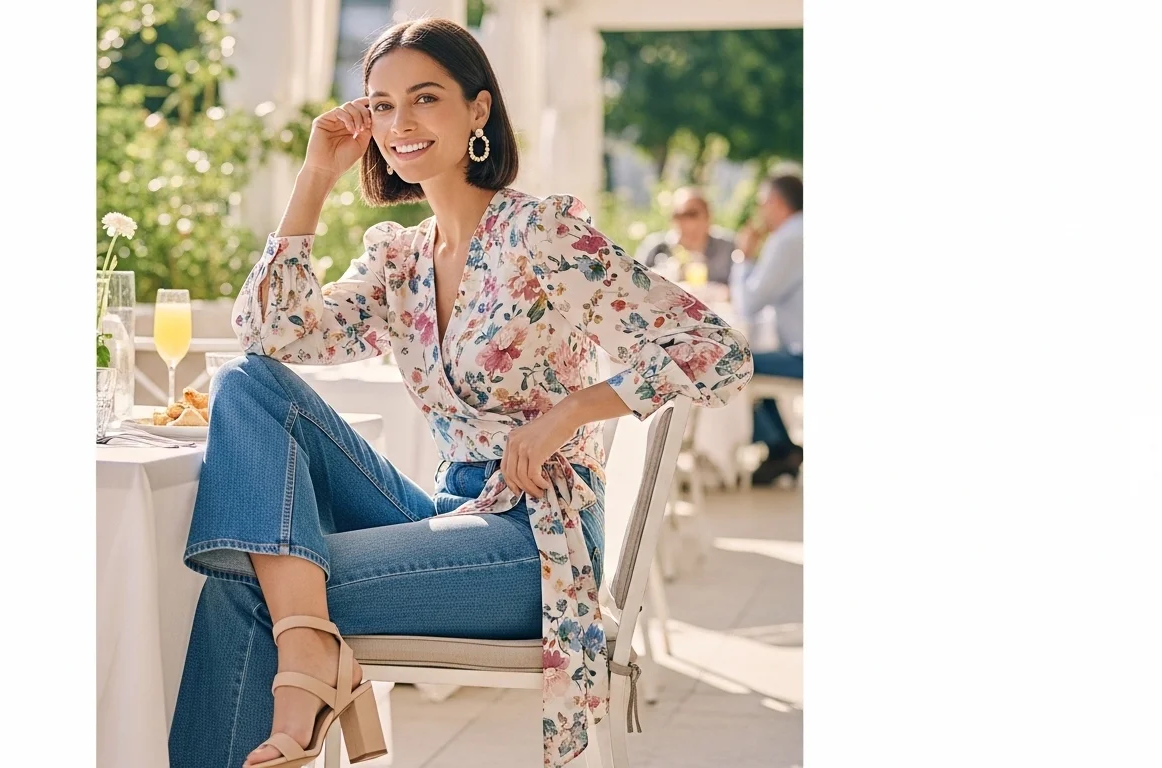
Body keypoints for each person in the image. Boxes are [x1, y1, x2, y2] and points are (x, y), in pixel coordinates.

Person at [168, 18, 754, 768]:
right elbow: (269, 335)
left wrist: (570, 412)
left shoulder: (539, 234)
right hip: (450, 508)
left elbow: (716, 349)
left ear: (478, 109)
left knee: (252, 581)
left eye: (425, 98)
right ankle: (309, 654)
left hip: (534, 540)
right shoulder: (400, 261)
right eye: (382, 106)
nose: (400, 124)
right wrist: (315, 177)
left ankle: (305, 666)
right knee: (245, 383)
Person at [730, 173, 803, 486]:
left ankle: (778, 448)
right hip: (798, 350)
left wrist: (743, 256)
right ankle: (781, 448)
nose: (760, 212)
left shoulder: (789, 239)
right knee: (750, 360)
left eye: (762, 203)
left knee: (733, 362)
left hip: (803, 356)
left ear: (776, 203)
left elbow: (748, 304)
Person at [635, 186, 738, 287]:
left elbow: (740, 287)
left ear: (708, 216)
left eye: (691, 214)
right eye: (678, 215)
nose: (686, 222)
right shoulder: (655, 248)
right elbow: (635, 283)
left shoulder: (728, 248)